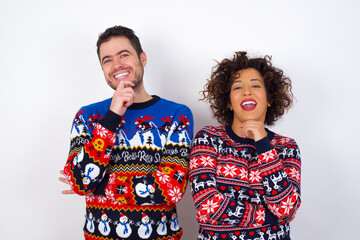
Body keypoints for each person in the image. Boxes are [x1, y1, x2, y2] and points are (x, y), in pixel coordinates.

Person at [59, 25, 193, 240]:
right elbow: (79, 181)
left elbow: (171, 188)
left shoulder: (177, 114)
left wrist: (99, 185)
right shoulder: (87, 116)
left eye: (124, 55)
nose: (117, 65)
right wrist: (112, 117)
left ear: (142, 58)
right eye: (107, 60)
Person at [189, 51, 301, 240]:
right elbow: (207, 203)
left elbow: (286, 208)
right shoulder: (207, 139)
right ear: (229, 103)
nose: (247, 91)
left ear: (269, 98)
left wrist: (264, 145)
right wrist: (268, 217)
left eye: (256, 86)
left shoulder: (286, 147)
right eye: (237, 87)